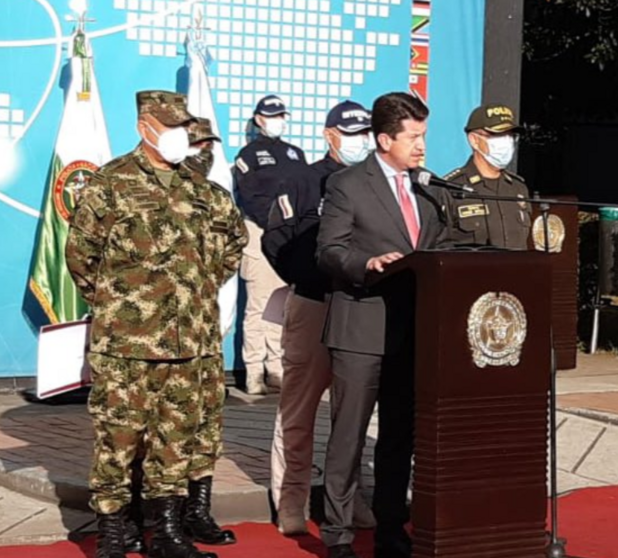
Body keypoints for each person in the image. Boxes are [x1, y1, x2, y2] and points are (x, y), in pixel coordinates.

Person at [66, 91, 247, 558]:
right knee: (118, 440)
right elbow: (82, 257)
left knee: (175, 439)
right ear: (145, 125)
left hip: (190, 340)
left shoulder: (198, 188)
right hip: (127, 344)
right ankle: (113, 530)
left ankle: (166, 532)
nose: (178, 134)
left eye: (182, 125)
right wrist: (121, 303)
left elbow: (229, 249)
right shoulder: (112, 183)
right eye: (169, 125)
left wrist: (192, 290)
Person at [316, 92, 450, 558]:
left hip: (413, 330)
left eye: (423, 136)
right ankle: (337, 533)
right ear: (384, 138)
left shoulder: (429, 189)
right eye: (413, 137)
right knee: (348, 436)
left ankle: (392, 526)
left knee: (398, 436)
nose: (421, 147)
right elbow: (329, 250)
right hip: (361, 326)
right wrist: (367, 262)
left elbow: (440, 248)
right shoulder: (348, 185)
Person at [262, 100, 376, 536]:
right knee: (299, 408)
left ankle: (348, 498)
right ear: (330, 135)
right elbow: (278, 242)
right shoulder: (302, 180)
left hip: (360, 307)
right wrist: (316, 272)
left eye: (364, 132)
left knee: (352, 412)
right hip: (314, 303)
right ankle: (290, 499)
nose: (359, 141)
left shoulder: (372, 183)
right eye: (350, 133)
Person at [234, 95, 308, 395]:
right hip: (260, 233)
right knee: (258, 305)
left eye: (281, 115)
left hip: (290, 237)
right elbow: (250, 197)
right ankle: (253, 371)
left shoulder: (296, 154)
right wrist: (274, 223)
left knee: (282, 306)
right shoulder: (248, 155)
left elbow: (304, 193)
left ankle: (277, 368)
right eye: (271, 115)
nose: (278, 120)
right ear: (258, 120)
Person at [444, 103, 531, 249]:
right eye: (497, 135)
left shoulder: (518, 188)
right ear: (474, 140)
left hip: (516, 271)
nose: (506, 142)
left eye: (511, 135)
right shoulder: (451, 188)